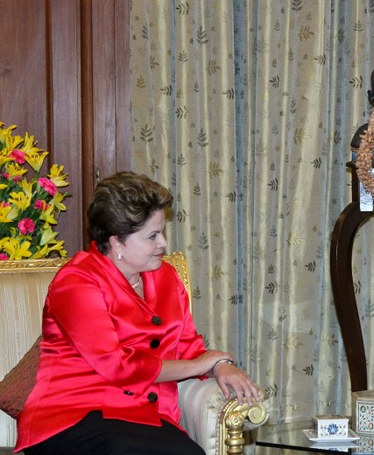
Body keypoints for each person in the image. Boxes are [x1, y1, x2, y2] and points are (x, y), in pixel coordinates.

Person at [16, 171, 260, 455]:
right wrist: (201, 364)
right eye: (152, 236)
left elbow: (188, 347)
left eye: (162, 232)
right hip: (73, 416)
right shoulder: (76, 282)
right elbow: (117, 366)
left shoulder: (166, 277)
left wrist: (220, 366)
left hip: (144, 416)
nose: (163, 243)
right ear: (117, 242)